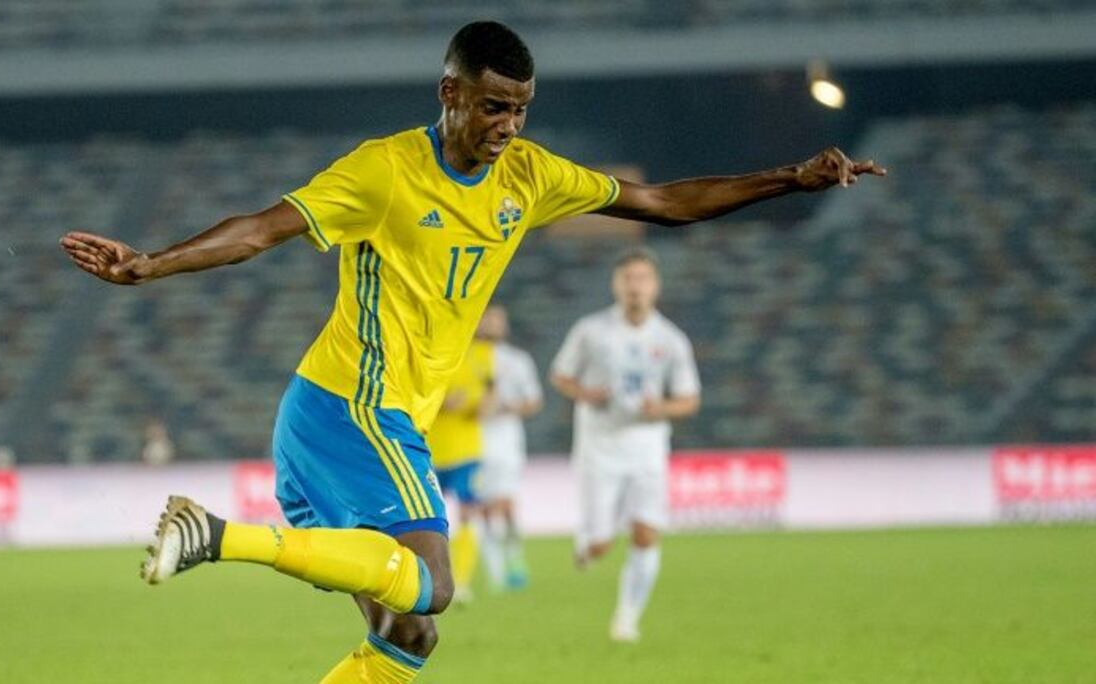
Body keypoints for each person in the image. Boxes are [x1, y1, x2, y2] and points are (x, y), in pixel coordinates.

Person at [60, 19, 884, 683]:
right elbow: (264, 229)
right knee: (438, 585)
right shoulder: (384, 171)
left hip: (350, 417)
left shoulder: (527, 176)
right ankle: (215, 533)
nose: (508, 126)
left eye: (520, 109)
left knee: (406, 637)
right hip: (352, 407)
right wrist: (152, 263)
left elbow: (663, 201)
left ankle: (230, 542)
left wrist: (789, 178)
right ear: (450, 93)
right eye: (493, 107)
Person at [550, 248, 701, 643]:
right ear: (616, 284)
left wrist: (662, 407)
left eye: (643, 279)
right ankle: (588, 545)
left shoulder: (671, 339)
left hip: (647, 446)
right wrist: (585, 393)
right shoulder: (591, 330)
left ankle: (627, 618)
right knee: (601, 545)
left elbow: (689, 398)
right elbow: (561, 375)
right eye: (628, 279)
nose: (635, 286)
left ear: (655, 286)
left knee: (646, 533)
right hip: (599, 447)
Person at [475, 304, 542, 591]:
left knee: (507, 502)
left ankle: (514, 557)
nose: (491, 324)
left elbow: (533, 400)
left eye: (496, 320)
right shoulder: (464, 359)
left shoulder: (518, 360)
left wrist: (511, 406)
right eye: (486, 319)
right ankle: (496, 571)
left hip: (507, 437)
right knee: (484, 506)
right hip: (475, 437)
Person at [426, 335, 493, 603]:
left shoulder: (482, 353)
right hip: (430, 452)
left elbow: (489, 394)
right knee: (429, 518)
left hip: (467, 451)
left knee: (468, 512)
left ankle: (461, 581)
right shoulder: (429, 349)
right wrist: (441, 404)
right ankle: (430, 579)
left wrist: (479, 407)